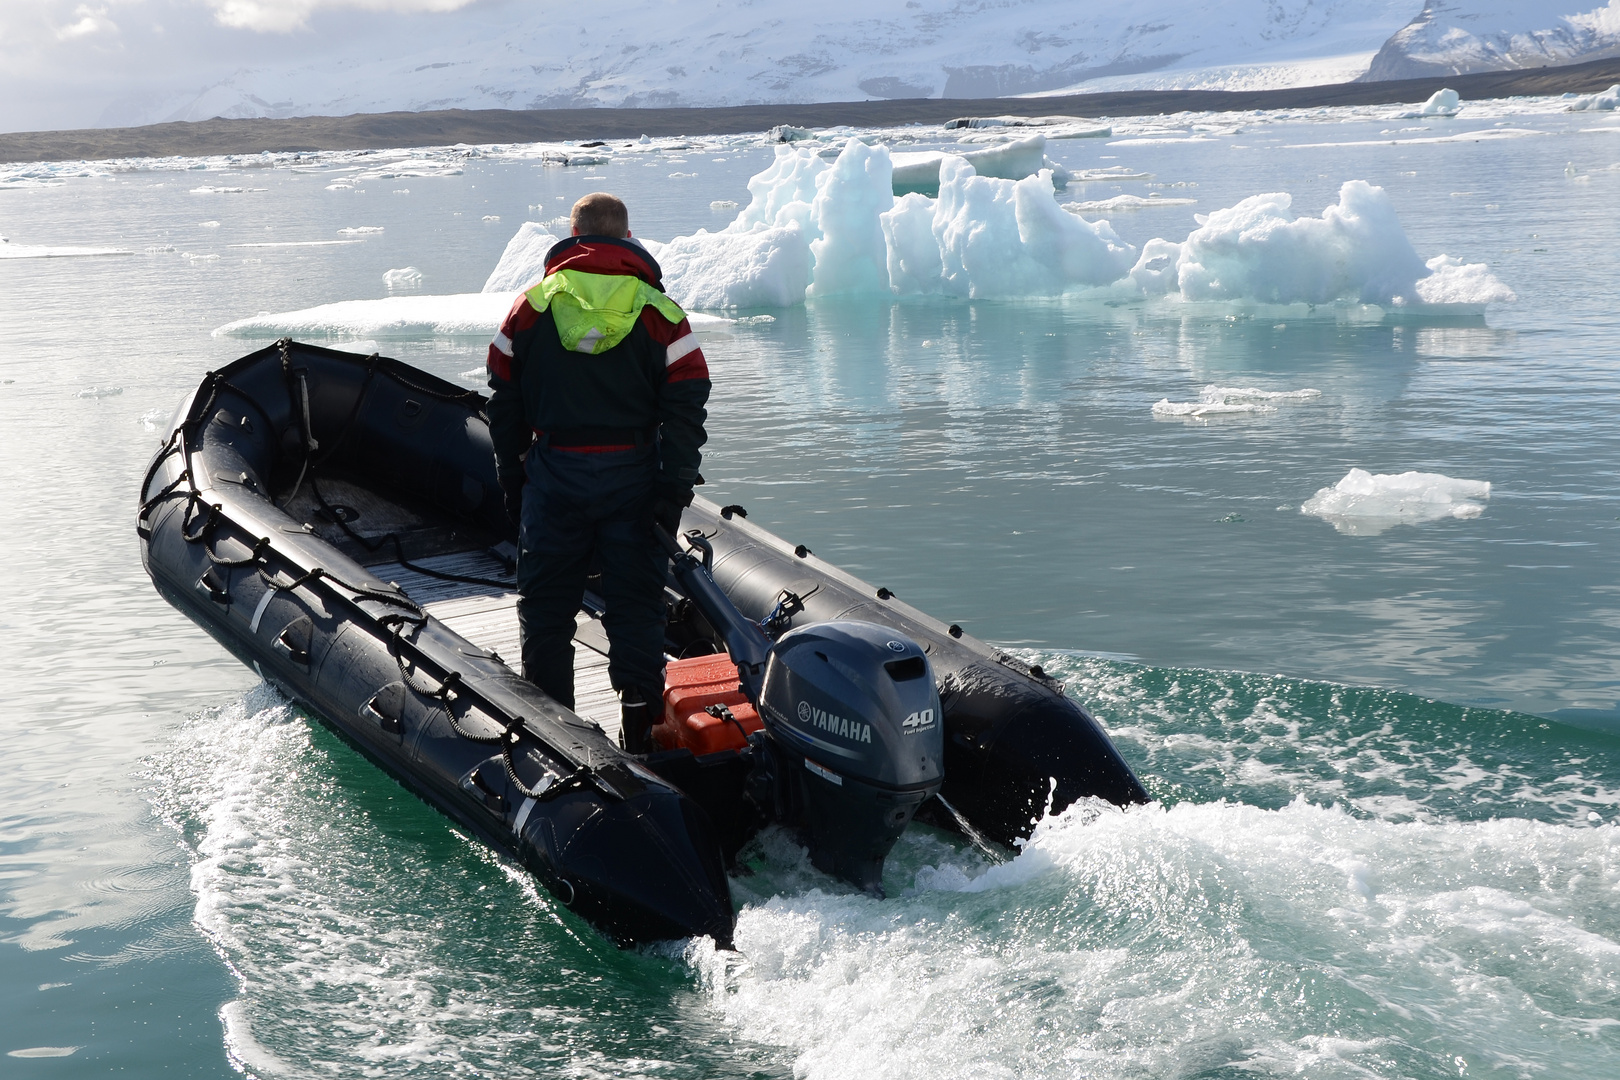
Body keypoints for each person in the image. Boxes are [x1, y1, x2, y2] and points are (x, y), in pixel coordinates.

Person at [485, 192, 709, 752]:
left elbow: (503, 399)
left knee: (546, 606)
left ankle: (553, 738)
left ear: (572, 234)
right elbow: (688, 401)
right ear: (627, 238)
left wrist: (513, 478)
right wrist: (673, 487)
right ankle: (638, 731)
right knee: (635, 604)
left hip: (553, 471)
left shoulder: (530, 306)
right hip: (633, 474)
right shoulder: (661, 312)